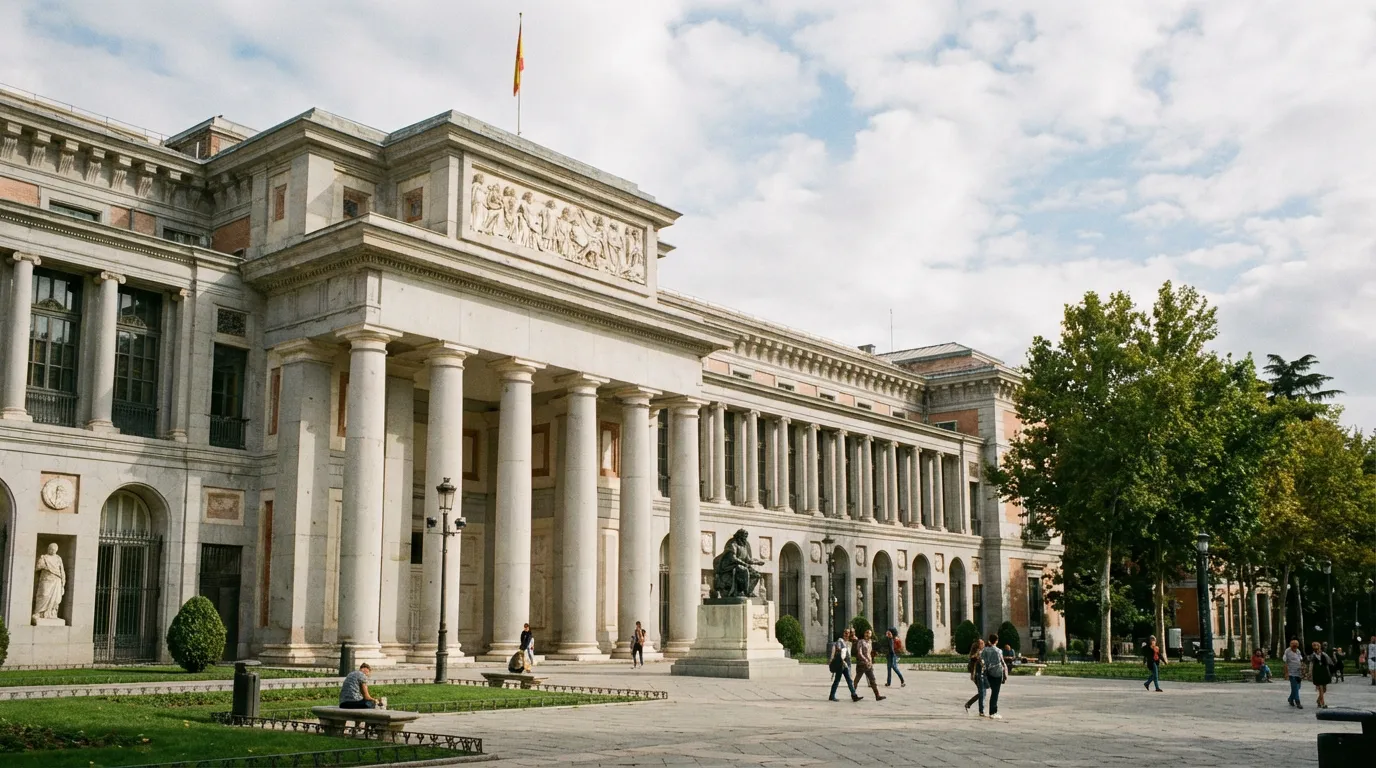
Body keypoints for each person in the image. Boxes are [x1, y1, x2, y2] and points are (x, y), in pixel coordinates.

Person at [828, 629, 861, 702]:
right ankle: (832, 696)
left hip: (846, 665)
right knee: (837, 680)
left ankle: (854, 695)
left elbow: (856, 645)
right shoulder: (840, 641)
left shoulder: (849, 643)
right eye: (845, 633)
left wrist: (855, 638)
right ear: (843, 633)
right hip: (841, 663)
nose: (846, 634)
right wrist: (842, 650)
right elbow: (839, 648)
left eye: (848, 633)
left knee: (849, 680)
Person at [980, 634, 1008, 719]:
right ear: (996, 641)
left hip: (988, 672)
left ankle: (988, 710)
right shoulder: (998, 651)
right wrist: (1005, 673)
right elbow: (1001, 662)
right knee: (995, 693)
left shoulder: (985, 650)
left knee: (991, 692)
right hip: (997, 673)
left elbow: (982, 660)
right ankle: (993, 712)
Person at [856, 629, 886, 701]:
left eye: (869, 633)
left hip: (868, 665)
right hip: (861, 664)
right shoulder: (861, 642)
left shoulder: (870, 642)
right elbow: (859, 653)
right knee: (857, 680)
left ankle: (877, 696)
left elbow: (869, 653)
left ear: (871, 635)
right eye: (866, 632)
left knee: (872, 680)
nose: (867, 634)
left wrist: (873, 656)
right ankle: (853, 694)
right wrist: (865, 659)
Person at [1306, 641, 1332, 709]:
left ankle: (1318, 700)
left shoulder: (1324, 655)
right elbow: (1311, 665)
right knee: (1320, 689)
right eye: (1315, 647)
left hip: (1324, 672)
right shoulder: (1312, 656)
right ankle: (1323, 703)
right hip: (1317, 673)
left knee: (1324, 689)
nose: (1317, 649)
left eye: (1317, 647)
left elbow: (1329, 663)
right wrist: (1309, 674)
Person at [964, 638, 987, 716]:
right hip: (977, 675)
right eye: (982, 643)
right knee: (982, 692)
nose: (984, 644)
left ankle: (969, 704)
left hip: (982, 675)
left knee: (982, 692)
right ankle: (981, 710)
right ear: (978, 645)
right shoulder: (975, 654)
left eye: (983, 643)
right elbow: (974, 661)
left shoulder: (982, 652)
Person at [1283, 639, 1305, 709]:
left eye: (1296, 644)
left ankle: (1290, 698)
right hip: (1291, 673)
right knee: (1295, 687)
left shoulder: (1298, 651)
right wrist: (1286, 673)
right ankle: (1298, 702)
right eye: (1292, 643)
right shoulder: (1287, 651)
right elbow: (1285, 663)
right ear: (1290, 644)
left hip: (1298, 672)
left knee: (1297, 687)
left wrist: (1302, 668)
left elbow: (1300, 660)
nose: (1294, 645)